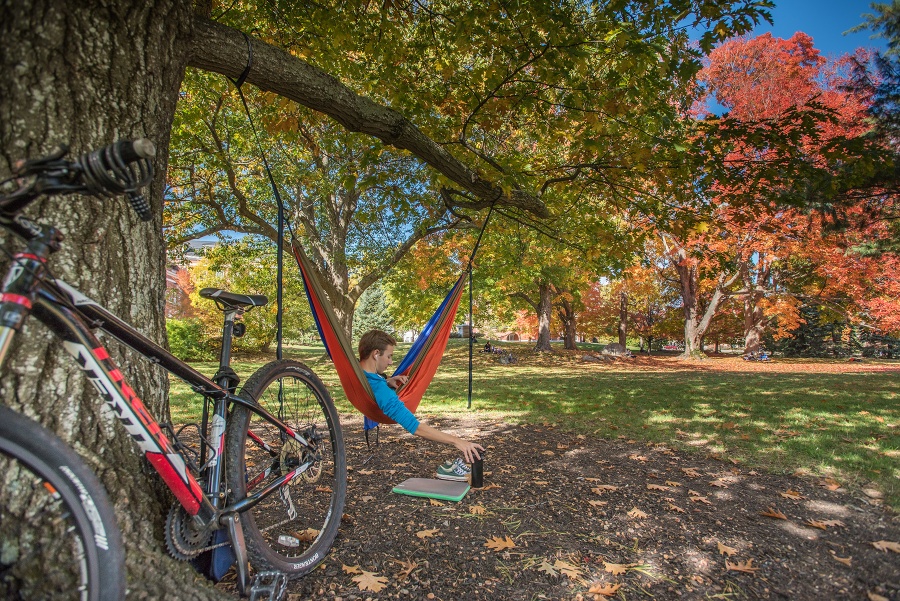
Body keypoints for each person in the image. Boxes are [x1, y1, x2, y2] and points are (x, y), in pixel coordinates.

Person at [358, 329, 484, 482]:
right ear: (376, 353)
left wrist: (387, 380)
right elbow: (415, 427)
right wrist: (457, 441)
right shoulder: (381, 391)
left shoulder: (357, 371)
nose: (391, 362)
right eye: (389, 356)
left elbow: (373, 380)